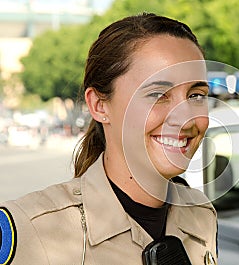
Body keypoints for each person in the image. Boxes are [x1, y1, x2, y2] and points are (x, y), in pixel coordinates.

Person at [0, 13, 217, 265]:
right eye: (158, 94)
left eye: (196, 95)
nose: (185, 119)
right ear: (100, 105)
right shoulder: (32, 227)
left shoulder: (201, 215)